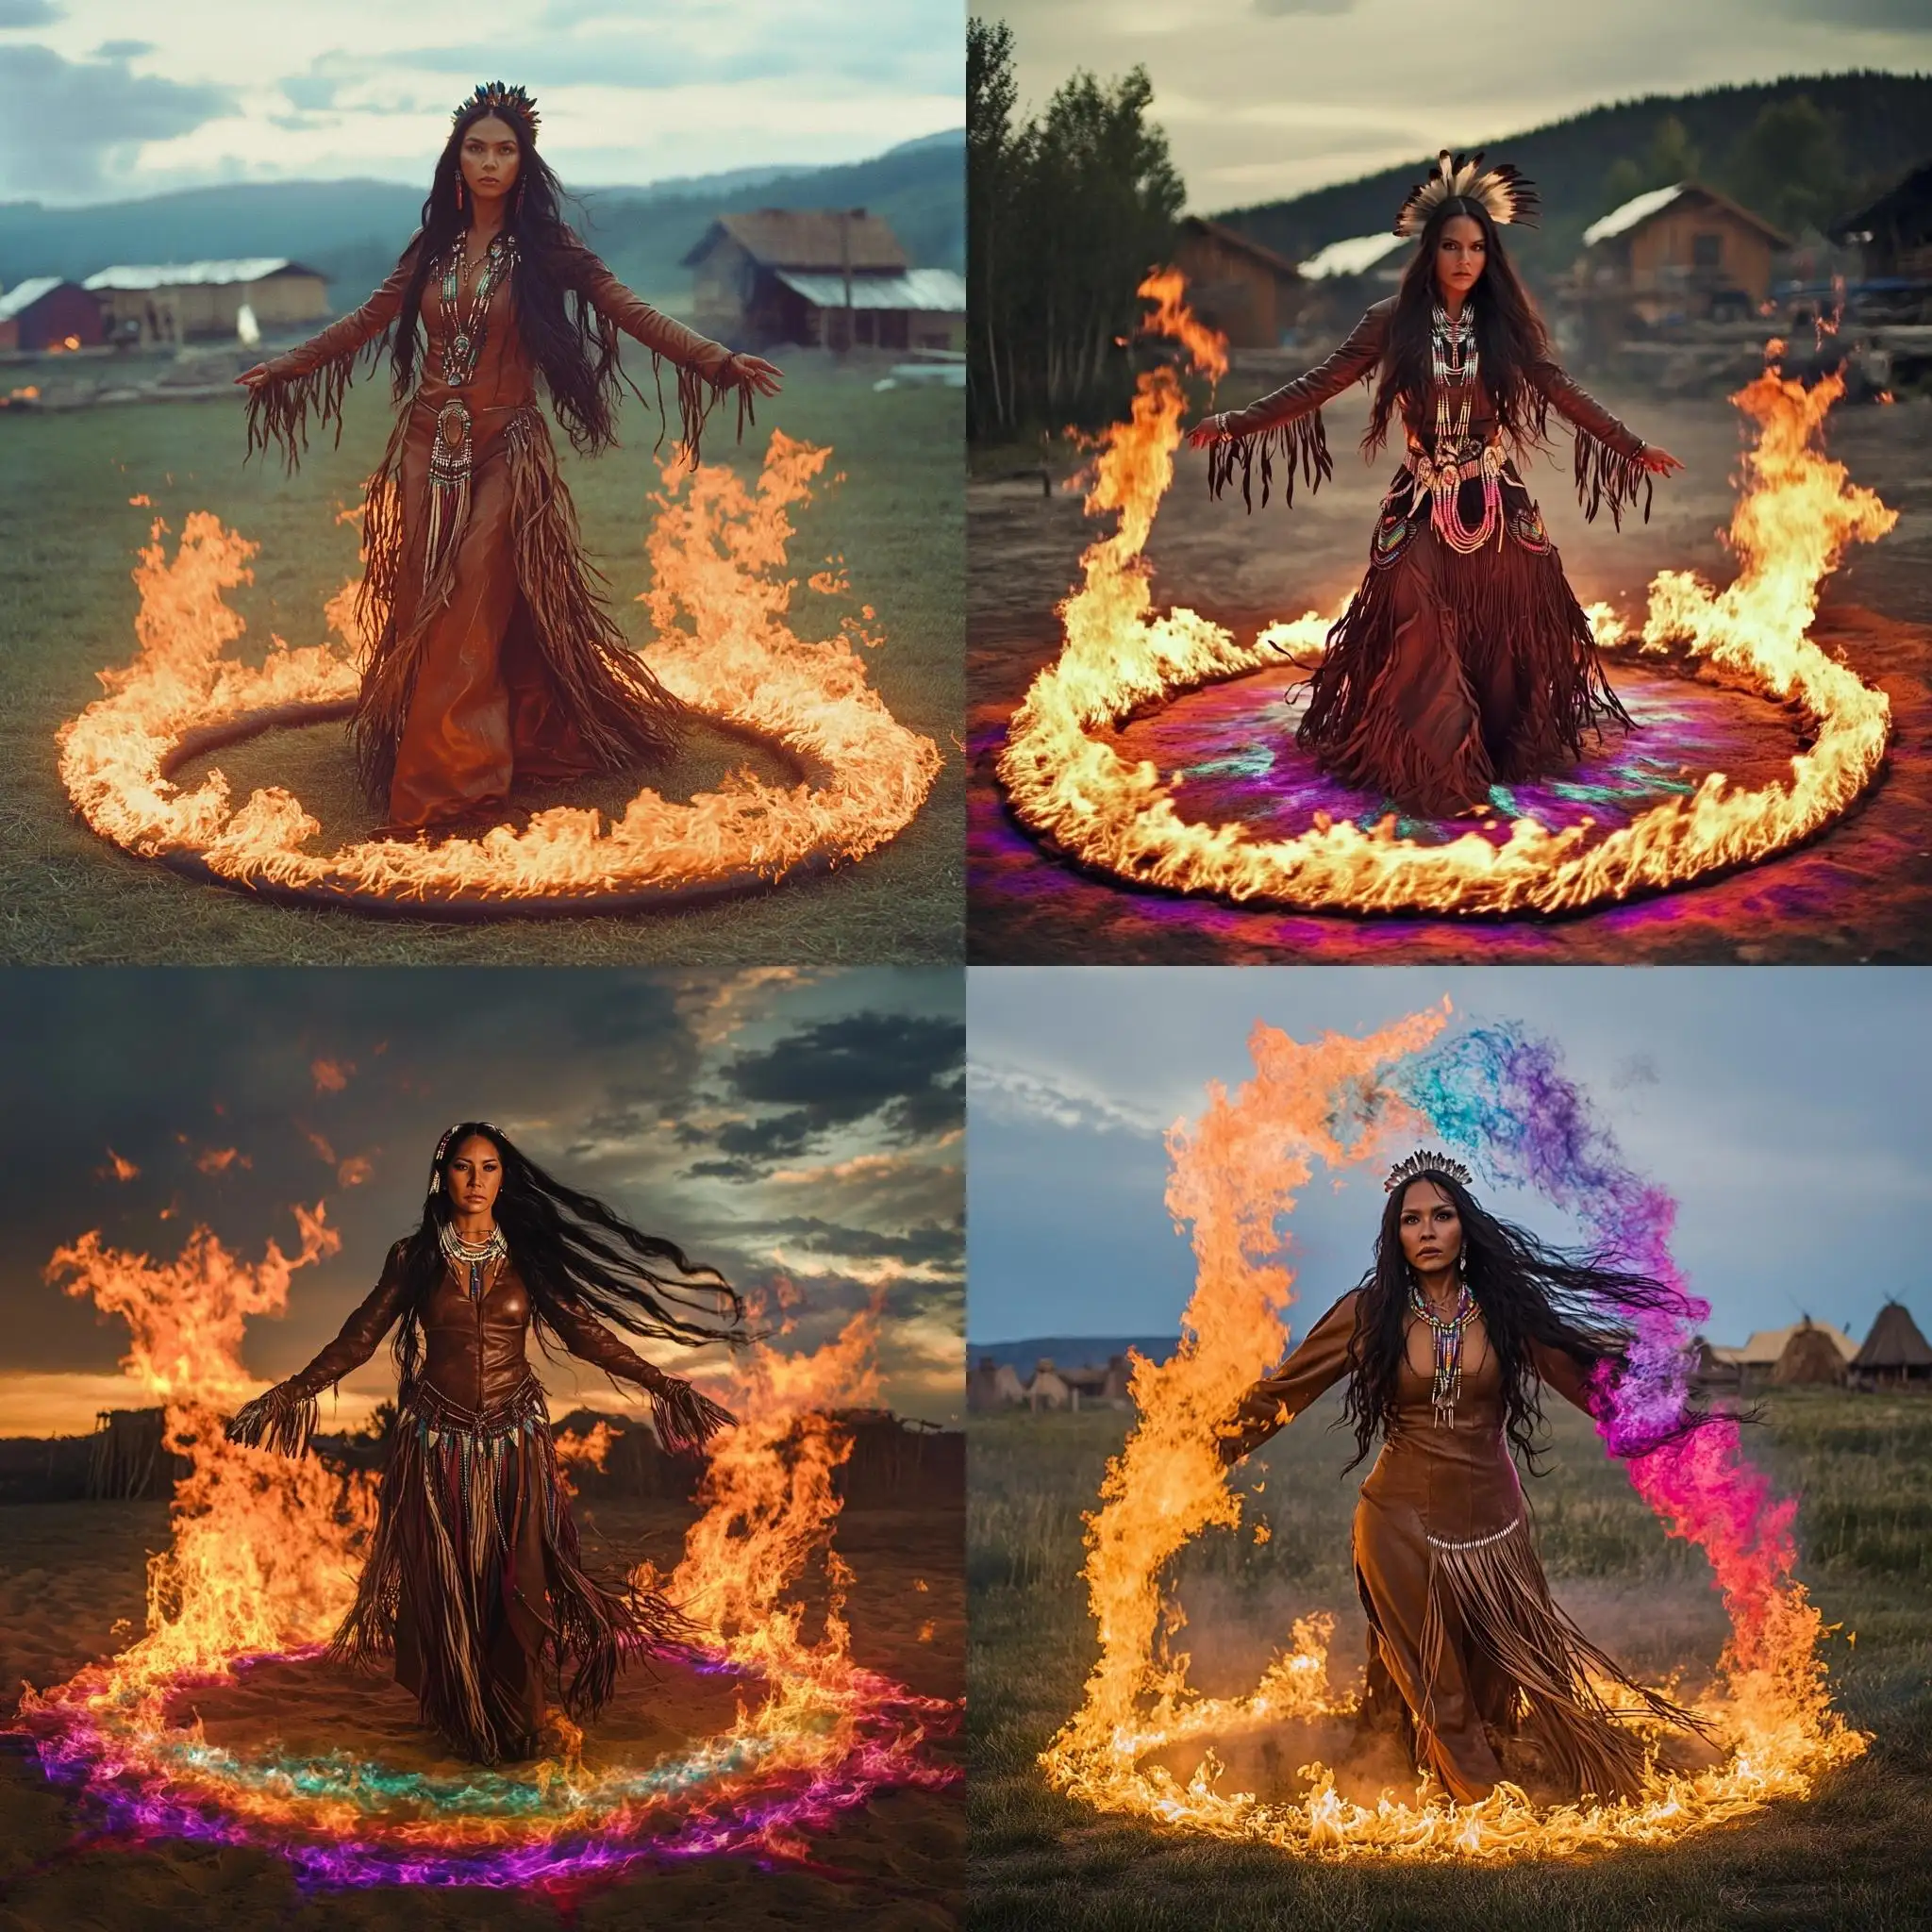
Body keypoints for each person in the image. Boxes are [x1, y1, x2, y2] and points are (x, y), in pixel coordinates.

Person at [236, 81, 783, 836]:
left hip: (507, 451)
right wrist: (285, 367)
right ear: (455, 160)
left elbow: (628, 308)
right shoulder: (431, 249)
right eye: (475, 147)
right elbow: (368, 318)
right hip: (426, 451)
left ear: (524, 162)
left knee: (467, 603)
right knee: (422, 601)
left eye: (504, 149)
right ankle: (478, 735)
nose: (489, 161)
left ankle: (447, 786)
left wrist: (716, 360)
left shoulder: (547, 251)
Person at [226, 1121, 741, 1764]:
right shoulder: (412, 1258)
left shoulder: (527, 1256)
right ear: (443, 1176)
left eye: (489, 1167)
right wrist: (290, 1393)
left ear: (504, 1177)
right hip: (435, 1444)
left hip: (515, 1445)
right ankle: (460, 1715)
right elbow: (360, 1336)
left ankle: (518, 1717)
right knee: (448, 1590)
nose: (476, 1181)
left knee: (518, 1583)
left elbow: (585, 1334)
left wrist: (663, 1384)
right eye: (464, 1168)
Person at [1187, 153, 1682, 818]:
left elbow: (1559, 390)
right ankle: (1437, 770)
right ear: (1430, 250)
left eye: (1477, 247)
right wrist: (1235, 424)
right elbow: (1318, 384)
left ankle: (1504, 750)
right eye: (1451, 245)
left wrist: (1629, 444)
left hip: (1496, 501)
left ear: (1489, 254)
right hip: (1420, 504)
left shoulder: (1505, 323)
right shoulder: (1389, 320)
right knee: (1420, 631)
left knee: (1511, 629)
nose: (1464, 259)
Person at [1216, 1148, 1710, 1804]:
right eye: (1411, 1219)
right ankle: (1489, 1806)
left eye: (1441, 1216)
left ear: (1463, 1228)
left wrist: (1669, 1433)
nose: (1426, 1231)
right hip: (1398, 1522)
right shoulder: (1367, 1315)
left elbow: (1585, 1385)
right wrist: (1195, 1450)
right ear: (1395, 1235)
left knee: (1506, 1684)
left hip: (1493, 1527)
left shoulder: (1504, 1313)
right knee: (1438, 1683)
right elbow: (1284, 1391)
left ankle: (1403, 1762)